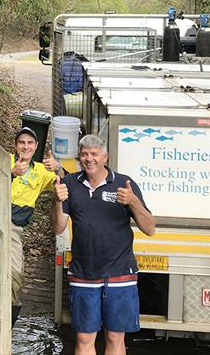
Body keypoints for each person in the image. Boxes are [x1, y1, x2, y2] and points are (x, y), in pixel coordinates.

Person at [50, 134, 156, 355]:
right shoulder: (70, 183)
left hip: (120, 274)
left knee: (116, 338)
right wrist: (56, 201)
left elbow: (150, 228)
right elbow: (58, 227)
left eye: (94, 154)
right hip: (83, 274)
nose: (89, 159)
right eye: (85, 154)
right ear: (79, 157)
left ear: (105, 156)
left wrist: (133, 201)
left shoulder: (123, 184)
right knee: (83, 339)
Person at [0, 127, 63, 325]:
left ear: (36, 147)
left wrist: (58, 168)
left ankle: (6, 325)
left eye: (30, 143)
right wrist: (11, 172)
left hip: (14, 228)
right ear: (15, 145)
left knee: (15, 276)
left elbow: (67, 182)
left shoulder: (42, 171)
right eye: (21, 143)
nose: (25, 146)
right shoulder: (3, 159)